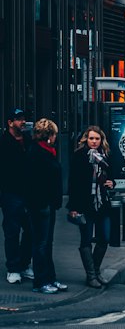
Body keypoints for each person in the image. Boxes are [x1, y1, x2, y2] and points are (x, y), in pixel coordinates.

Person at [68, 126, 115, 288]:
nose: (94, 142)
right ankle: (91, 276)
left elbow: (113, 175)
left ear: (101, 140)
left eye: (97, 139)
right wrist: (73, 207)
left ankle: (96, 271)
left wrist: (111, 183)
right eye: (91, 138)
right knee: (86, 239)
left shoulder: (106, 156)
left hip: (102, 203)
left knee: (105, 238)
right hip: (85, 204)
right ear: (86, 140)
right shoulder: (79, 156)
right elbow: (73, 183)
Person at [24, 118, 66, 294]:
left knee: (47, 243)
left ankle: (49, 278)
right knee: (41, 243)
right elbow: (35, 182)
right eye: (54, 134)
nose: (56, 137)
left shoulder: (47, 151)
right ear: (49, 135)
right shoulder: (37, 153)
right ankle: (40, 281)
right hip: (40, 205)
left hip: (47, 204)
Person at [0, 108, 33, 284]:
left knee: (30, 230)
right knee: (12, 231)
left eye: (23, 119)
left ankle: (24, 264)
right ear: (10, 122)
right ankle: (13, 268)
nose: (22, 122)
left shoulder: (28, 140)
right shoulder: (4, 141)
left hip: (28, 192)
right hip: (10, 193)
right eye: (18, 119)